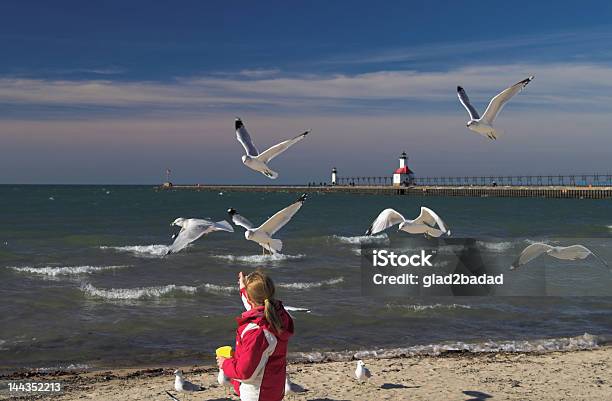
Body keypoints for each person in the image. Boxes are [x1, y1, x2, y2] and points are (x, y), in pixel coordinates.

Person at [217, 270, 294, 401]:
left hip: (257, 394)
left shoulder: (257, 331)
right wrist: (243, 286)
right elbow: (252, 304)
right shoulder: (278, 314)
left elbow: (245, 372)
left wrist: (225, 363)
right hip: (273, 387)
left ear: (251, 298)